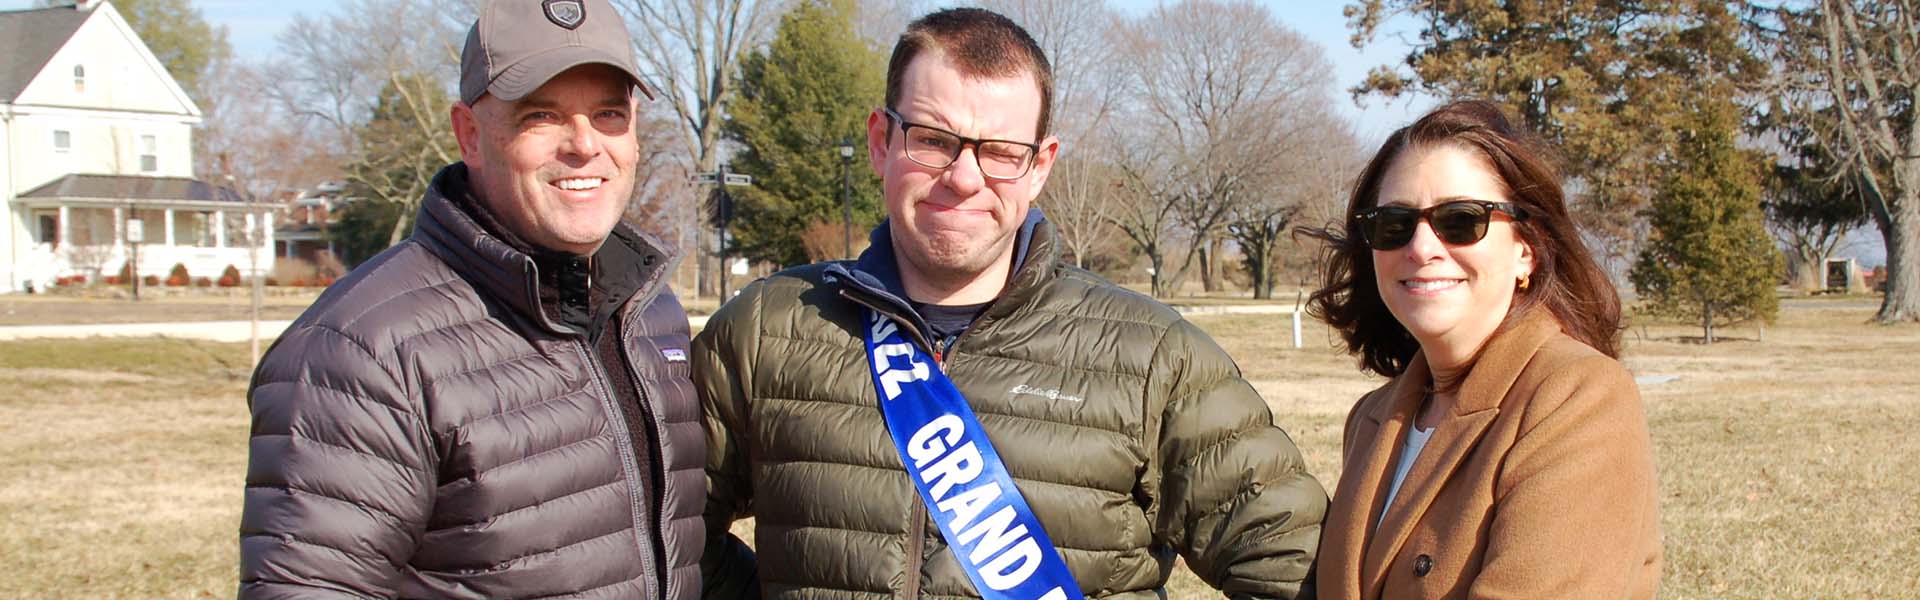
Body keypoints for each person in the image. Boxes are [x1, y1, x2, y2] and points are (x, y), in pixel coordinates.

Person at [693, 8, 1326, 599]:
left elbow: (1301, 571)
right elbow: (662, 538)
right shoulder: (766, 329)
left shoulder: (1153, 354)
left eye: (1000, 151)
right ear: (881, 140)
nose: (965, 178)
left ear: (1040, 165)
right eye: (934, 139)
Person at [237, 1, 710, 597]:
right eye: (543, 116)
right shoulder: (361, 352)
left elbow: (676, 551)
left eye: (609, 114)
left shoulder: (650, 316)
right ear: (470, 135)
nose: (585, 145)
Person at [1301, 100, 1661, 599]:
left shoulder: (1578, 397)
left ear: (1526, 249)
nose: (1422, 247)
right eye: (1394, 223)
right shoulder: (1373, 418)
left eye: (1460, 219)